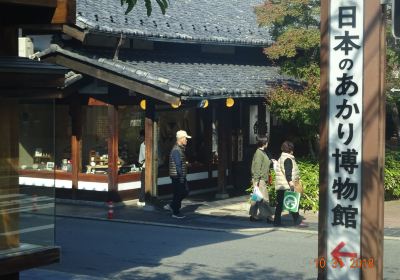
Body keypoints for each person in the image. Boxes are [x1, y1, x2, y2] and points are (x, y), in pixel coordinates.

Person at [273, 141, 305, 227]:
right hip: (287, 184)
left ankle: (276, 221)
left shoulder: (282, 157)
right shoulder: (288, 159)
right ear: (291, 150)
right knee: (293, 202)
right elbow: (288, 172)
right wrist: (291, 183)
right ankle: (298, 221)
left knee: (280, 204)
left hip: (281, 185)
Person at [164, 130, 191, 219]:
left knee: (183, 192)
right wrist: (181, 177)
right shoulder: (176, 150)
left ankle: (172, 206)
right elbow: (178, 165)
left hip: (179, 175)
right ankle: (175, 212)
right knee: (179, 193)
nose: (187, 140)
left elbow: (180, 163)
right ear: (181, 139)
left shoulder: (180, 149)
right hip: (177, 176)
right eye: (185, 138)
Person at [249, 135, 274, 223]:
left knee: (256, 198)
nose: (267, 143)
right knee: (264, 199)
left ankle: (253, 215)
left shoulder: (262, 152)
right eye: (266, 141)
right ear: (264, 143)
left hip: (260, 178)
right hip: (260, 179)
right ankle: (269, 217)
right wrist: (256, 181)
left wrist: (271, 161)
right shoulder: (259, 153)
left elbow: (264, 164)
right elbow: (257, 168)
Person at [137, 129, 146, 207]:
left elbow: (141, 160)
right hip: (155, 166)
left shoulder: (143, 145)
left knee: (143, 184)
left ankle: (142, 200)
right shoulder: (155, 143)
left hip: (145, 167)